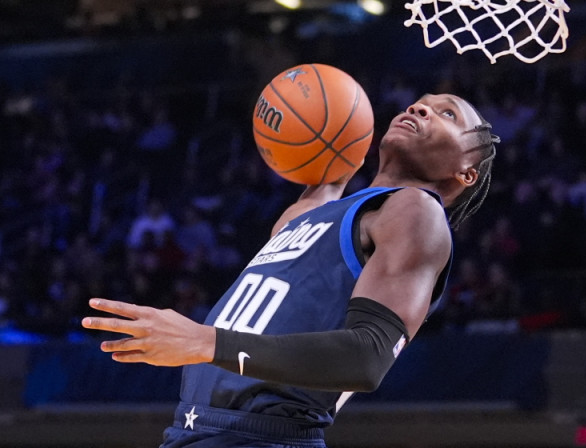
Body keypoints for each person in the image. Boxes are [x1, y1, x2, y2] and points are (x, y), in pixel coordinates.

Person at [82, 93, 499, 448]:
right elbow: (323, 181)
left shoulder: (416, 211)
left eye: (447, 114)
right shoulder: (314, 213)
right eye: (419, 103)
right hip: (192, 430)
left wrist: (206, 341)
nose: (420, 109)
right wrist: (334, 144)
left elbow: (367, 358)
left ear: (466, 172)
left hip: (266, 436)